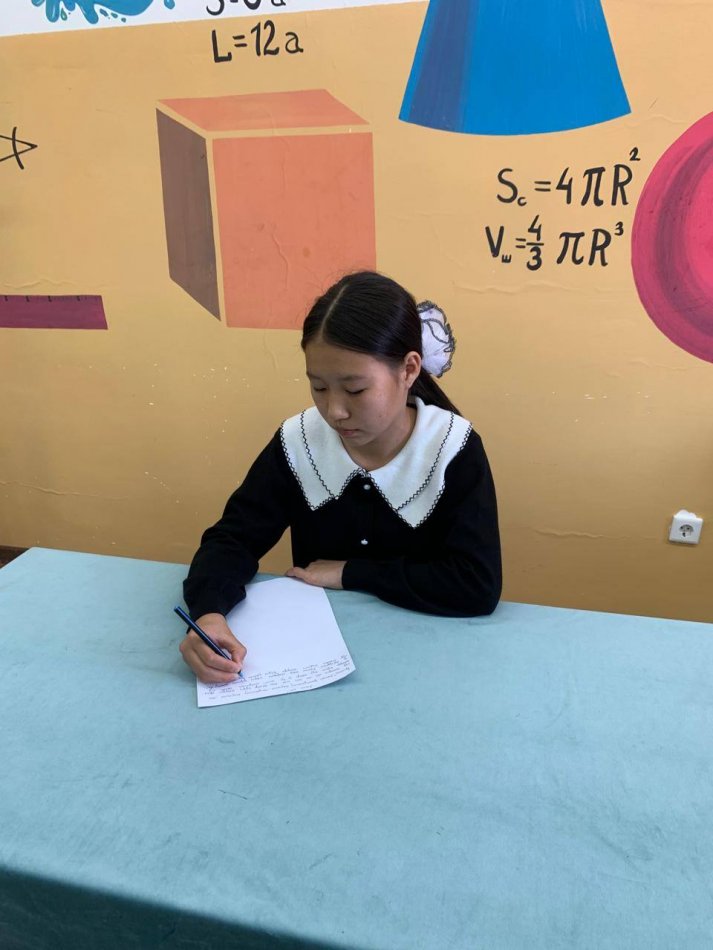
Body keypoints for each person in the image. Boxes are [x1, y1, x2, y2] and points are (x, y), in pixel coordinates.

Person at [180, 271, 501, 683]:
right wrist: (208, 614)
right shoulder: (300, 441)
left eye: (355, 390)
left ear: (408, 369)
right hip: (315, 659)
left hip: (428, 663)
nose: (334, 411)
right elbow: (233, 539)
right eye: (319, 387)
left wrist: (350, 573)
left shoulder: (453, 449)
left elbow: (476, 585)